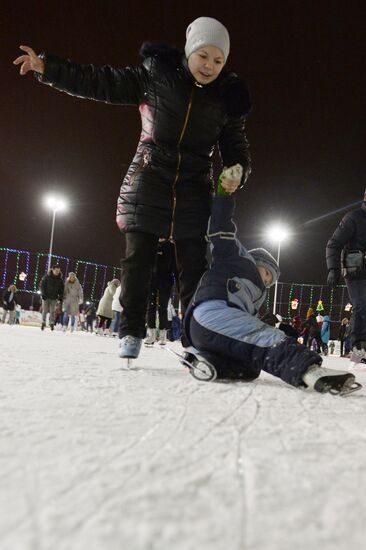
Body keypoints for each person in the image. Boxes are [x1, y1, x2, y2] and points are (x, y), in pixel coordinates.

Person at [13, 16, 252, 360]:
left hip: (193, 187)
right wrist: (48, 68)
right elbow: (101, 82)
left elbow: (237, 148)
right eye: (204, 56)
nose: (210, 66)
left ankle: (197, 336)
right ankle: (131, 333)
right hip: (149, 176)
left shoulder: (228, 98)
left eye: (218, 60)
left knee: (195, 267)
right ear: (190, 51)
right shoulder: (158, 75)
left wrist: (236, 171)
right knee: (138, 261)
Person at [182, 195, 360, 394]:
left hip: (210, 335)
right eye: (268, 274)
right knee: (267, 338)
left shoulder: (255, 298)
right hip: (214, 314)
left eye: (269, 282)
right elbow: (220, 227)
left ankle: (207, 362)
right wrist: (224, 195)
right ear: (256, 260)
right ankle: (311, 371)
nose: (266, 282)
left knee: (250, 367)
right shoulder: (237, 259)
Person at [326, 188, 366, 363]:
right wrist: (333, 269)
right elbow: (333, 244)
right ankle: (358, 350)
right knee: (362, 305)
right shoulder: (354, 217)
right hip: (356, 271)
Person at [145, 240, 177, 346]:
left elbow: (174, 264)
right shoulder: (151, 243)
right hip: (151, 280)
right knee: (151, 306)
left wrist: (175, 279)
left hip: (165, 281)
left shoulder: (170, 246)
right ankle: (151, 334)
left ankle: (163, 335)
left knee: (162, 307)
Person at [39, 264, 64, 330]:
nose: (57, 272)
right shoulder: (46, 277)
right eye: (56, 270)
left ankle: (51, 323)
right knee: (45, 310)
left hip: (54, 298)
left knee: (52, 311)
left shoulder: (60, 280)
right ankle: (43, 322)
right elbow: (42, 286)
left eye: (58, 271)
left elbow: (61, 290)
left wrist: (60, 297)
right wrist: (43, 294)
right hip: (46, 297)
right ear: (52, 270)